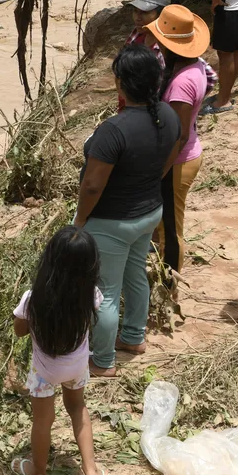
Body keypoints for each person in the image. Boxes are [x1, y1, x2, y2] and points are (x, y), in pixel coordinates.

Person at [74, 45, 181, 376]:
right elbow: (172, 153)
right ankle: (133, 337)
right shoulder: (168, 114)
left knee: (105, 291)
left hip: (112, 222)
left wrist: (80, 220)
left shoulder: (114, 129)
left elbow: (92, 186)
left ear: (120, 83)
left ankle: (103, 361)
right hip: (149, 213)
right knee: (135, 274)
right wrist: (150, 181)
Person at [9, 226, 111, 475]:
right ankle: (91, 470)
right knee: (77, 408)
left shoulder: (33, 299)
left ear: (49, 262)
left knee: (43, 421)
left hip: (45, 372)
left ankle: (38, 473)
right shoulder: (90, 294)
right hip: (77, 366)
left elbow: (19, 331)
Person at [146, 5, 211, 283]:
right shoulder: (193, 65)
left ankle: (169, 288)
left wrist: (161, 170)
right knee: (163, 227)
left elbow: (179, 134)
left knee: (171, 232)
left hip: (177, 161)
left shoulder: (182, 83)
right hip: (182, 156)